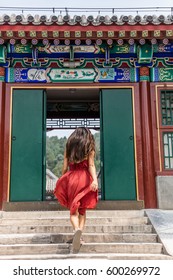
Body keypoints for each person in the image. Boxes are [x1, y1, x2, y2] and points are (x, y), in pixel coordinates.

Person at [54, 127, 98, 253]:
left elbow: (64, 165)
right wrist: (95, 180)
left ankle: (76, 230)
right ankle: (80, 236)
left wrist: (62, 179)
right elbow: (91, 165)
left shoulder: (69, 146)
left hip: (72, 178)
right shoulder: (89, 147)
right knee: (82, 210)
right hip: (85, 179)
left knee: (74, 210)